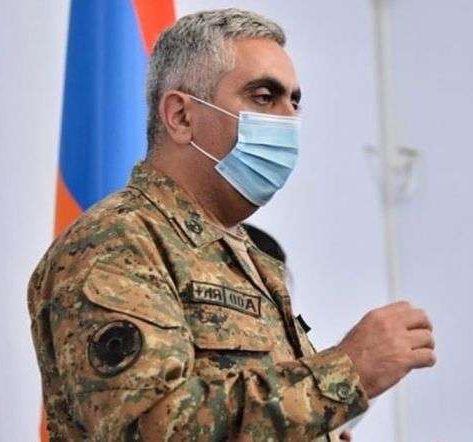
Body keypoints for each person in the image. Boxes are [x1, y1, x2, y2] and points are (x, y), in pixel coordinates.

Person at [28, 8, 435, 441]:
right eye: (264, 97)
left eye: (294, 102)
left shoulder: (244, 252)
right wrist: (347, 371)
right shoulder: (117, 242)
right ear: (181, 116)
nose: (288, 118)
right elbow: (155, 429)